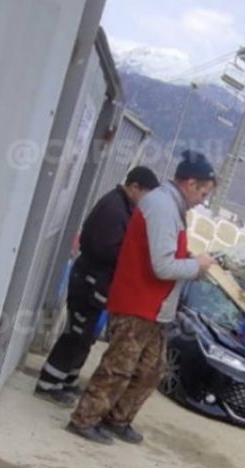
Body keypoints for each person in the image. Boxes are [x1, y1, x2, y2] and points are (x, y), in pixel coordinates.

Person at [67, 150, 217, 444]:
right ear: (189, 183)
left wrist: (188, 262)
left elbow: (166, 255)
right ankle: (84, 419)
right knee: (119, 367)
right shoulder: (161, 207)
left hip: (155, 308)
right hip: (138, 304)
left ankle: (117, 418)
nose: (203, 200)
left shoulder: (171, 207)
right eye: (203, 192)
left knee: (151, 371)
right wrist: (195, 265)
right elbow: (162, 266)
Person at [35, 166, 161, 406]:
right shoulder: (114, 209)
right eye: (146, 195)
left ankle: (67, 380)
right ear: (134, 187)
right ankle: (49, 383)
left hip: (98, 282)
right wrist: (130, 258)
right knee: (76, 333)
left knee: (86, 336)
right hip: (89, 280)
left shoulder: (124, 208)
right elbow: (105, 249)